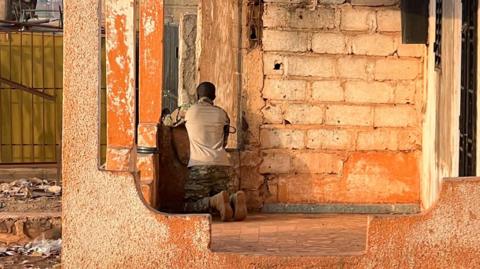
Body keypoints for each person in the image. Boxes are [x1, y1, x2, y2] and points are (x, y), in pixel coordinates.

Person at [176, 82, 247, 221]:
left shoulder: (188, 111)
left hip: (199, 167)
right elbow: (225, 141)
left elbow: (168, 121)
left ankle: (213, 201)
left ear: (197, 96)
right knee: (221, 195)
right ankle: (233, 200)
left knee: (188, 206)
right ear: (214, 96)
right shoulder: (222, 114)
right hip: (222, 166)